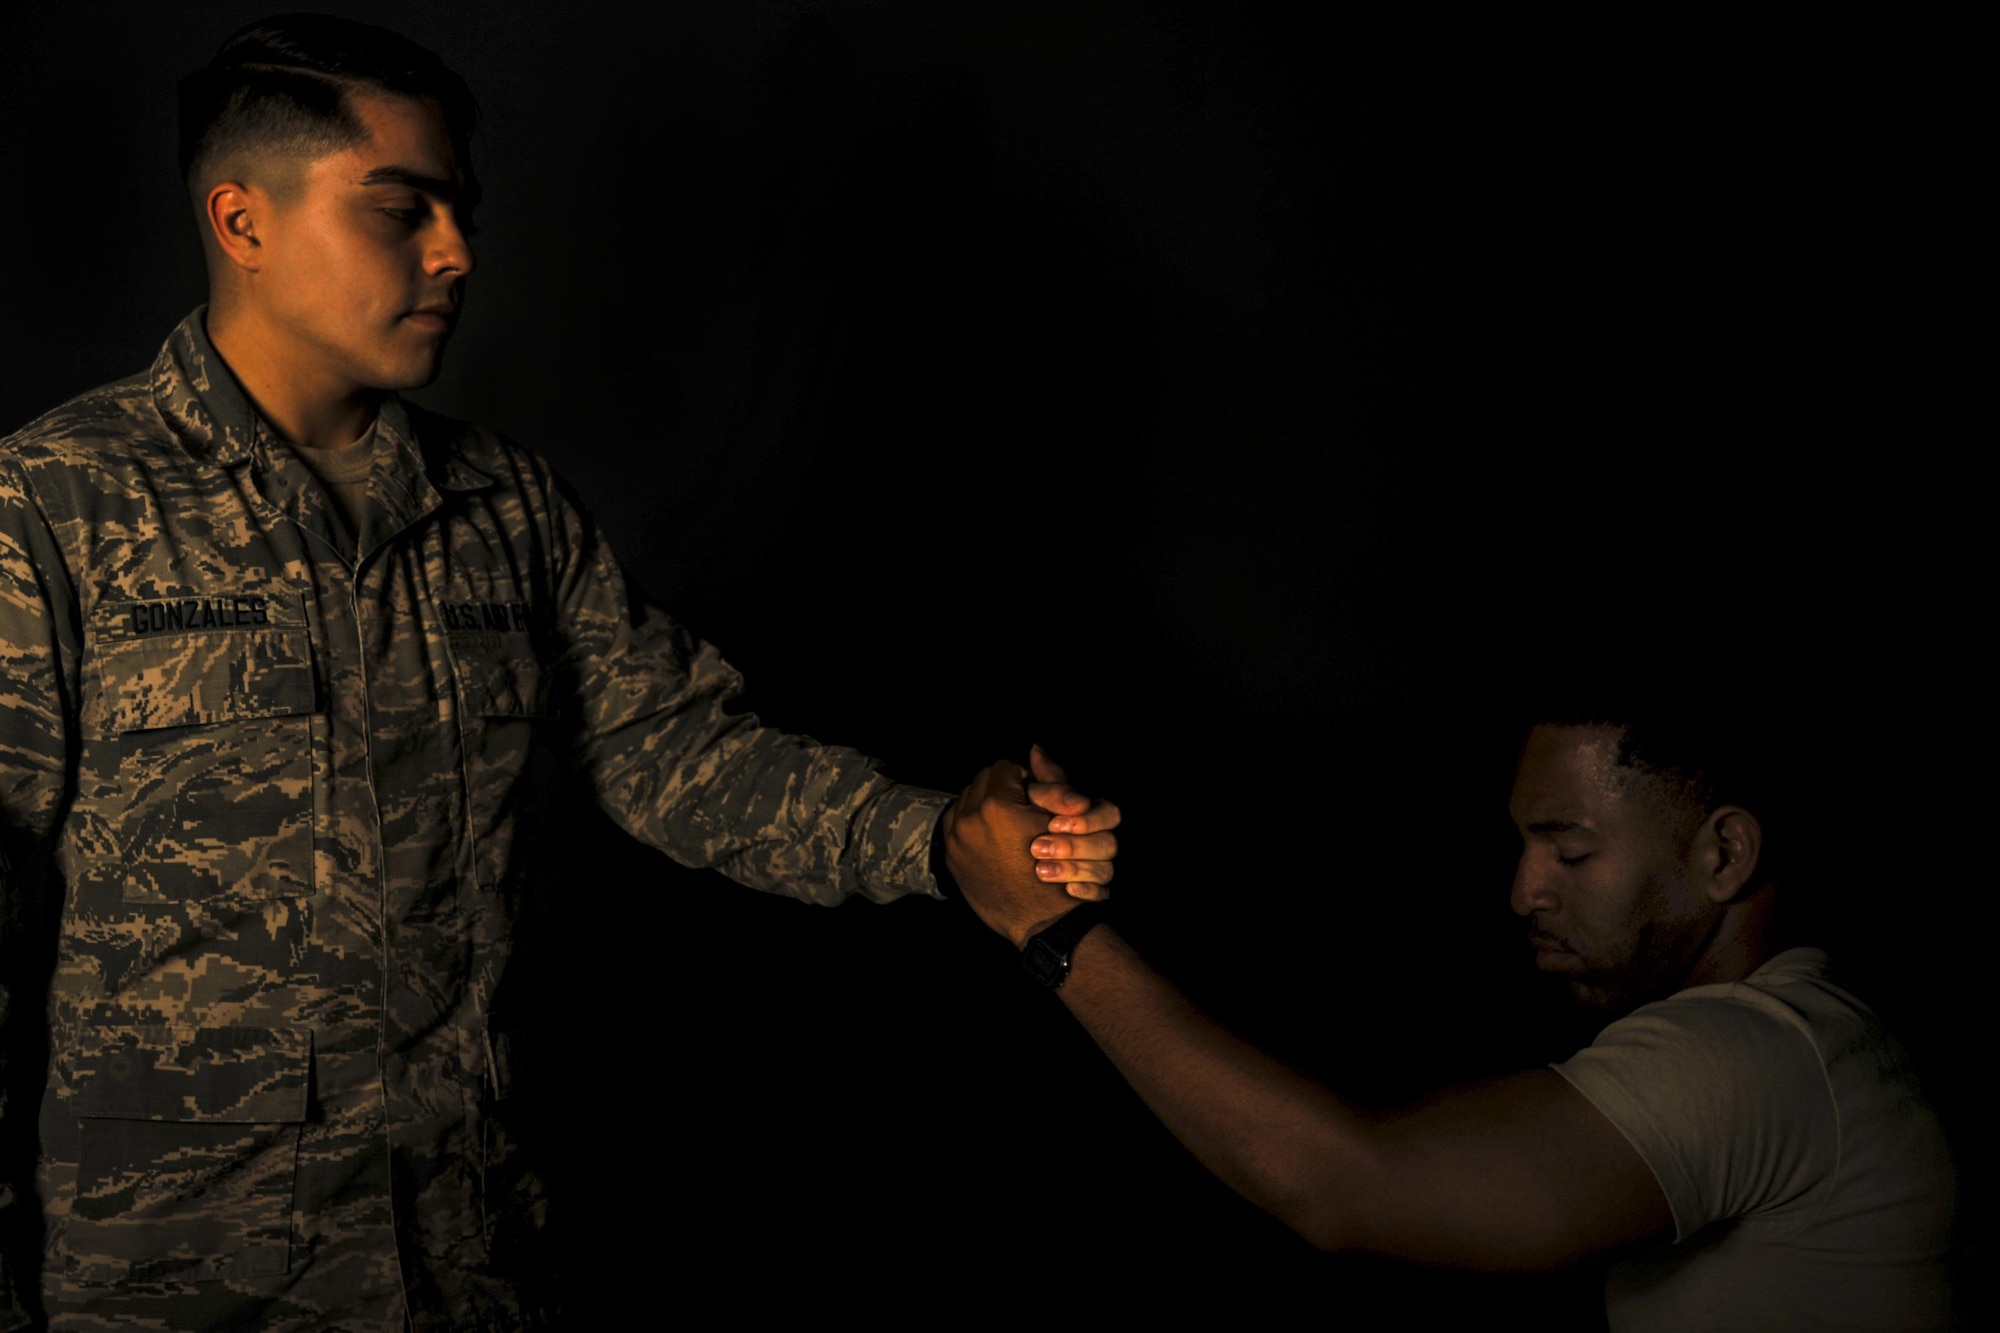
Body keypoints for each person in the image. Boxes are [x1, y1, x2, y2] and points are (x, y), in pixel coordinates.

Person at [0, 14, 1120, 1331]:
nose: (456, 253)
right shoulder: (50, 507)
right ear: (241, 222)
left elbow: (680, 758)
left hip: (469, 1267)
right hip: (169, 1294)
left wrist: (939, 839)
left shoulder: (505, 507)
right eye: (400, 212)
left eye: (459, 211)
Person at [943, 700, 1959, 1330]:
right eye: (1522, 845)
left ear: (1723, 855)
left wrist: (1047, 928)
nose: (1523, 890)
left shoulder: (1760, 1054)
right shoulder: (1812, 1045)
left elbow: (1339, 1185)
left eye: (1567, 850)